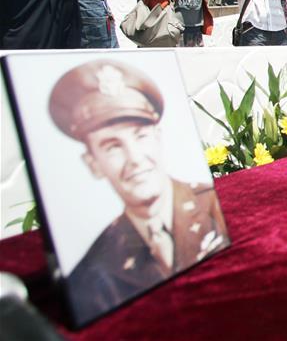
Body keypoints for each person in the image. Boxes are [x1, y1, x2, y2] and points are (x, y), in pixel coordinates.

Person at [48, 59, 229, 322]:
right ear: (93, 163)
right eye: (112, 146)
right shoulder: (93, 272)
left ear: (158, 138)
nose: (134, 158)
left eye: (140, 136)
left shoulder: (209, 207)